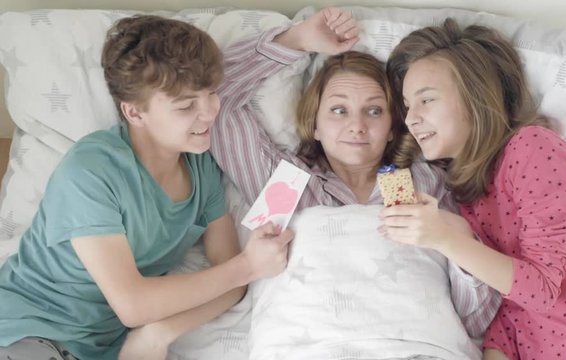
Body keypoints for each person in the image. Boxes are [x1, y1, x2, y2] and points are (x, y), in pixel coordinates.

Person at [211, 7, 501, 357]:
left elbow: (476, 317)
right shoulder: (284, 182)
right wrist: (297, 40)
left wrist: (457, 240)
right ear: (314, 124)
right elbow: (215, 101)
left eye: (374, 110)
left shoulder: (426, 184)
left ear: (394, 127)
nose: (357, 125)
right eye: (338, 109)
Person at [0, 15, 294, 360]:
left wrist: (159, 332)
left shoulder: (202, 169)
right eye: (186, 105)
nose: (209, 112)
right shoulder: (91, 172)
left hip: (101, 348)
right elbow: (134, 304)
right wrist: (248, 265)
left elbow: (230, 283)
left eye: (211, 93)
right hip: (28, 329)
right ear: (135, 113)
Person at [381, 18, 566, 360]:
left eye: (426, 100)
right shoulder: (465, 188)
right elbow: (512, 305)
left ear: (475, 97)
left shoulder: (533, 149)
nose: (412, 118)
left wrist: (448, 239)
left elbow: (542, 290)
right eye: (408, 106)